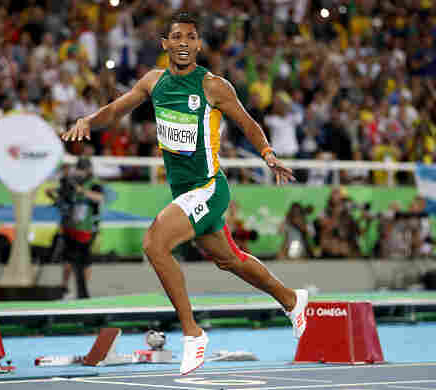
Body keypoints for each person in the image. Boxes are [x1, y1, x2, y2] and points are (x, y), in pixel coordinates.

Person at [61, 12, 308, 375]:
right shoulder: (153, 82)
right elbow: (115, 111)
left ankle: (193, 334)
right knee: (231, 260)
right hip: (184, 193)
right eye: (176, 37)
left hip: (209, 188)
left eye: (191, 37)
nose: (183, 43)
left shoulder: (213, 86)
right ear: (165, 44)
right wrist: (87, 121)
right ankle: (292, 300)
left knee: (154, 243)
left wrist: (268, 155)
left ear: (197, 45)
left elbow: (248, 123)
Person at [46, 157, 104, 299]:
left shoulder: (94, 183)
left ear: (89, 169)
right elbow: (60, 199)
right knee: (68, 259)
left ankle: (82, 291)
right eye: (79, 169)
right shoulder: (71, 182)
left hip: (86, 229)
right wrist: (53, 193)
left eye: (83, 169)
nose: (81, 172)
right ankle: (64, 289)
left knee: (86, 262)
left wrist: (81, 191)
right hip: (70, 227)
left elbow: (99, 198)